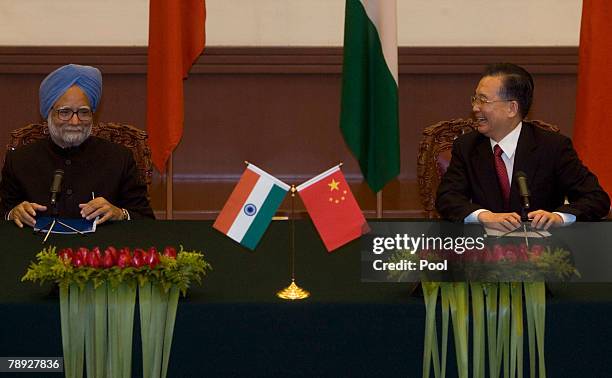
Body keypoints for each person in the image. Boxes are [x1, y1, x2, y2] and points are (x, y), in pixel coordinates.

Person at [436, 63, 610, 231]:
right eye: (475, 99)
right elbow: (447, 198)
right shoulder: (467, 146)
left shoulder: (553, 147)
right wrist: (483, 216)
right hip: (482, 252)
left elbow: (596, 199)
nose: (475, 108)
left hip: (542, 253)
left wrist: (559, 217)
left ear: (512, 108)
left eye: (483, 100)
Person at [0, 64, 154, 228]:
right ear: (48, 114)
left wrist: (120, 213)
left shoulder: (119, 158)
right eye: (65, 112)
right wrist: (13, 213)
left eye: (83, 112)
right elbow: (4, 212)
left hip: (100, 250)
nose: (75, 121)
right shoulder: (19, 160)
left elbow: (146, 220)